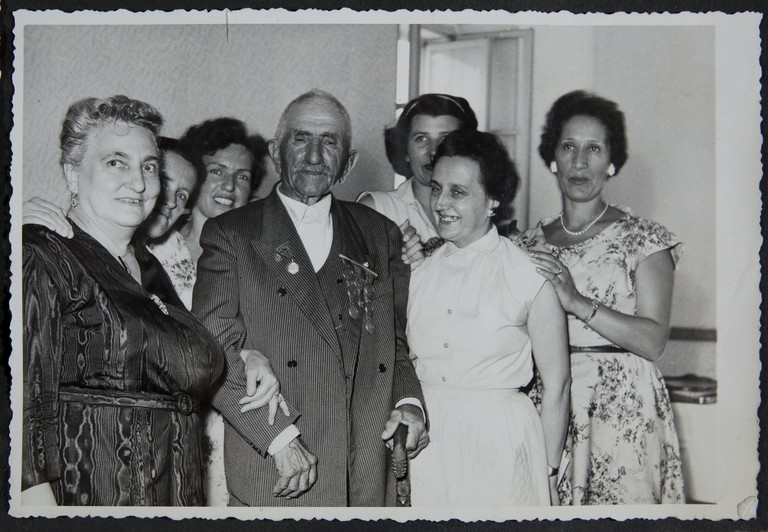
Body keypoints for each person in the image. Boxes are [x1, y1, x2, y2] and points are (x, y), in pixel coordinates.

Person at [193, 89, 428, 507]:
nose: (315, 156)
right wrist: (279, 437)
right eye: (301, 138)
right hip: (278, 469)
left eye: (330, 141)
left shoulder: (379, 233)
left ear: (349, 162)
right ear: (276, 151)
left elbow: (393, 342)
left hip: (363, 471)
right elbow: (212, 350)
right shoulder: (232, 233)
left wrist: (410, 404)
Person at [21, 95, 224, 506]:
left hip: (174, 496)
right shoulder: (42, 252)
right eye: (116, 162)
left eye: (148, 166)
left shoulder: (149, 269)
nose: (138, 182)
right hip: (91, 497)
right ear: (72, 173)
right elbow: (21, 413)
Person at [516, 90, 685, 505]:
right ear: (552, 157)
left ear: (612, 162)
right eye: (568, 146)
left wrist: (576, 302)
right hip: (548, 401)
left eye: (594, 149)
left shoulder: (644, 238)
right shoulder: (526, 244)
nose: (579, 162)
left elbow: (653, 341)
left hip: (622, 405)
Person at [406, 129, 570, 506]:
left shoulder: (528, 275)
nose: (441, 203)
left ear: (493, 200)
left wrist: (545, 469)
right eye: (436, 188)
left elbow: (557, 385)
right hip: (430, 441)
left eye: (458, 192)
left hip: (500, 444)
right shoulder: (418, 274)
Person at [358, 93, 478, 253]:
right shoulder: (376, 210)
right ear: (405, 149)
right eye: (421, 139)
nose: (433, 152)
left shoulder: (481, 210)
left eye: (445, 139)